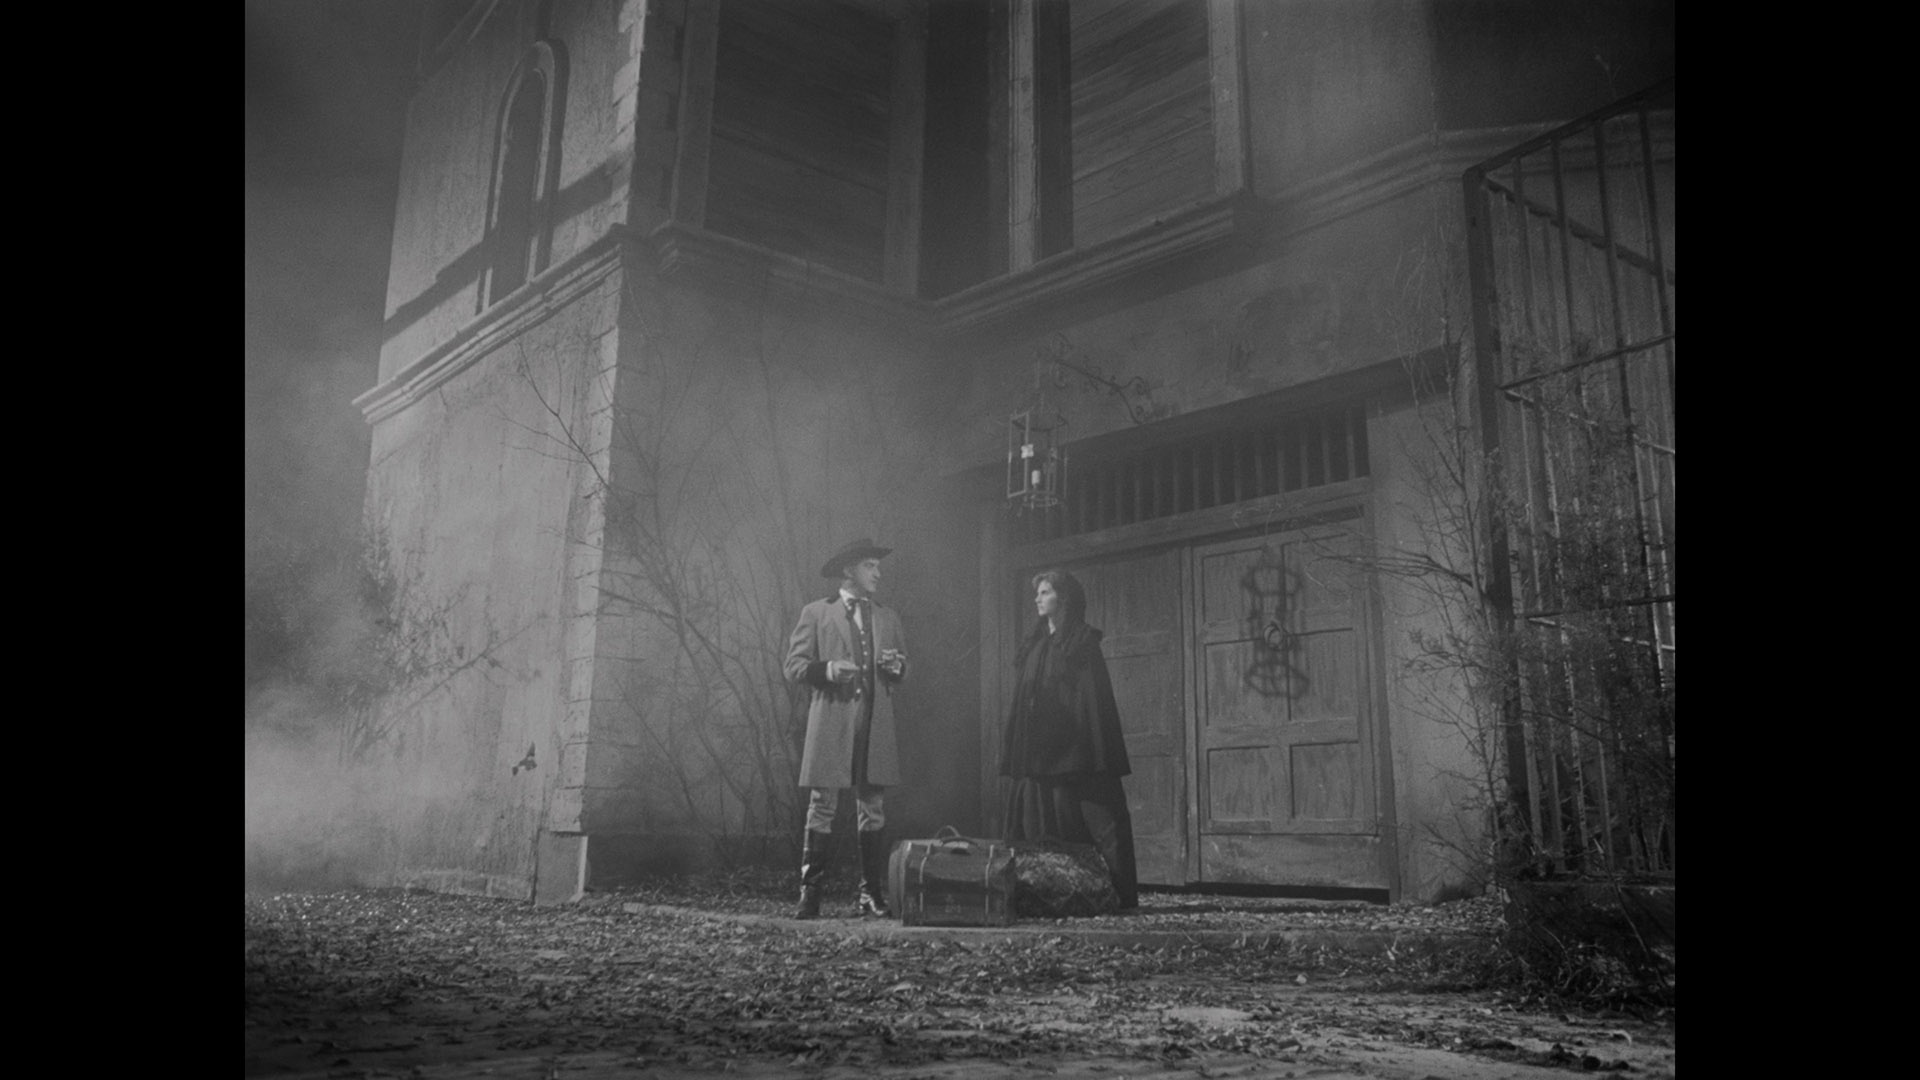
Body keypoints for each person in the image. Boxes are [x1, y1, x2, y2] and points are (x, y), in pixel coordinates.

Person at [784, 538, 909, 919]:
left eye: (877, 566)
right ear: (848, 570)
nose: (878, 573)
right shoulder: (817, 612)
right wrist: (827, 669)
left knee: (873, 807)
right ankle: (810, 894)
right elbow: (793, 666)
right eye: (870, 566)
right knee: (822, 805)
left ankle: (870, 894)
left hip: (874, 722)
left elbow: (903, 666)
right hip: (832, 722)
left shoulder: (887, 617)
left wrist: (897, 667)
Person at [1000, 568, 1139, 910]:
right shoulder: (1034, 646)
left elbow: (1093, 703)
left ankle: (1122, 895)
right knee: (1037, 824)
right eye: (1038, 592)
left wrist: (1083, 749)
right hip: (1040, 756)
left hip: (1080, 754)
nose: (1037, 598)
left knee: (1104, 822)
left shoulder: (1083, 644)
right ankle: (1043, 896)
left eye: (1045, 592)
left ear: (1063, 598)